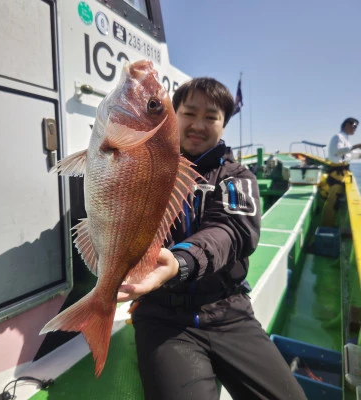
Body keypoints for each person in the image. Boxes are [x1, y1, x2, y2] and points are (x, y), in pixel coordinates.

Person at [118, 78, 306, 400]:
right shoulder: (145, 167)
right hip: (162, 316)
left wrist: (180, 261)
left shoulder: (237, 177)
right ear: (173, 115)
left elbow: (234, 231)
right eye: (189, 113)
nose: (198, 125)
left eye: (211, 117)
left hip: (229, 311)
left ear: (223, 124)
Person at [321, 117, 361, 227]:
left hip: (342, 173)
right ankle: (326, 225)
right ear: (346, 125)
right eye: (354, 126)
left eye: (356, 127)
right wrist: (355, 146)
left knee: (336, 200)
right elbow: (336, 151)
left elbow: (346, 155)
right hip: (336, 174)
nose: (355, 129)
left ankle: (330, 223)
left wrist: (358, 154)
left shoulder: (345, 138)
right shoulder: (337, 137)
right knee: (332, 201)